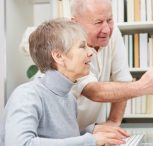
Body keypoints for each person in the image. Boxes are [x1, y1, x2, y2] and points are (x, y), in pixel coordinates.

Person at [0, 18, 128, 146]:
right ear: (59, 56)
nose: (91, 53)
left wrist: (89, 131)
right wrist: (90, 140)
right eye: (83, 46)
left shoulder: (69, 98)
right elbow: (19, 143)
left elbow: (57, 137)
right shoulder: (27, 95)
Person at [70, 0, 153, 130]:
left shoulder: (113, 35)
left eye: (109, 20)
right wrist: (142, 86)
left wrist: (113, 122)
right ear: (75, 23)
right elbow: (93, 91)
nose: (107, 29)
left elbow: (122, 81)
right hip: (64, 135)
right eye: (98, 22)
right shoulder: (66, 45)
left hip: (92, 133)